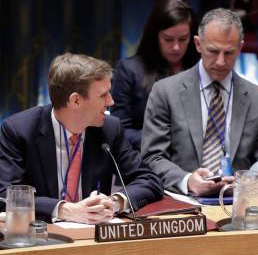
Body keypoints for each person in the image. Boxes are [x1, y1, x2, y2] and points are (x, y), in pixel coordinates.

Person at [0, 53, 163, 223]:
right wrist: (65, 210)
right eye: (103, 95)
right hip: (43, 236)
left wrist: (113, 203)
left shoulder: (110, 129)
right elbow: (6, 196)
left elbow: (149, 180)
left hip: (94, 238)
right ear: (76, 100)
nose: (111, 102)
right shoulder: (20, 131)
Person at [141, 8, 258, 196]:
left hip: (239, 201)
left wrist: (245, 182)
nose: (220, 61)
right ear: (198, 44)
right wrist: (187, 180)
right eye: (213, 51)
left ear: (240, 47)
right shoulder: (165, 92)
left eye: (228, 53)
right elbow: (152, 157)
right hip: (183, 201)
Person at [110, 0, 200, 150]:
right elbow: (119, 130)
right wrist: (165, 139)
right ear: (155, 36)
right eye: (168, 39)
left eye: (183, 39)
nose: (176, 47)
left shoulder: (199, 69)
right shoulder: (129, 70)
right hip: (144, 159)